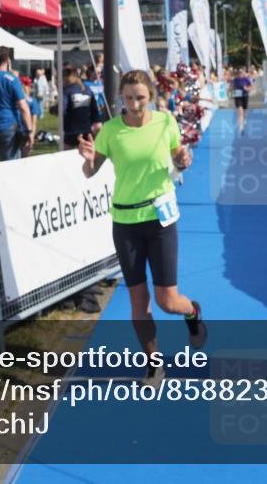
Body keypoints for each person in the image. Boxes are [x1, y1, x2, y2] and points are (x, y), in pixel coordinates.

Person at [77, 70, 206, 386]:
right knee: (138, 300)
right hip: (125, 223)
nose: (134, 104)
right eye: (129, 97)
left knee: (167, 301)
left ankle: (192, 312)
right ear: (121, 96)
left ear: (151, 97)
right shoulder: (110, 131)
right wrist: (88, 159)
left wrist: (183, 158)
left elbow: (177, 153)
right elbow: (90, 172)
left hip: (160, 220)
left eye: (140, 98)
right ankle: (154, 365)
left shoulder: (165, 122)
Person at [63, 66, 102, 150]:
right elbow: (94, 111)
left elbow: (63, 110)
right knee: (87, 155)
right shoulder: (87, 90)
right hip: (86, 130)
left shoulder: (67, 90)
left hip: (71, 131)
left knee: (67, 157)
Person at [231, 66, 253, 133]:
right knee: (240, 111)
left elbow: (251, 86)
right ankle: (241, 127)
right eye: (239, 73)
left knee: (245, 111)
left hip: (245, 96)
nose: (240, 74)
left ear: (243, 73)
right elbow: (231, 87)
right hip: (238, 97)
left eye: (241, 72)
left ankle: (244, 118)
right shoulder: (235, 80)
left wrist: (247, 89)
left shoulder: (246, 79)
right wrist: (231, 92)